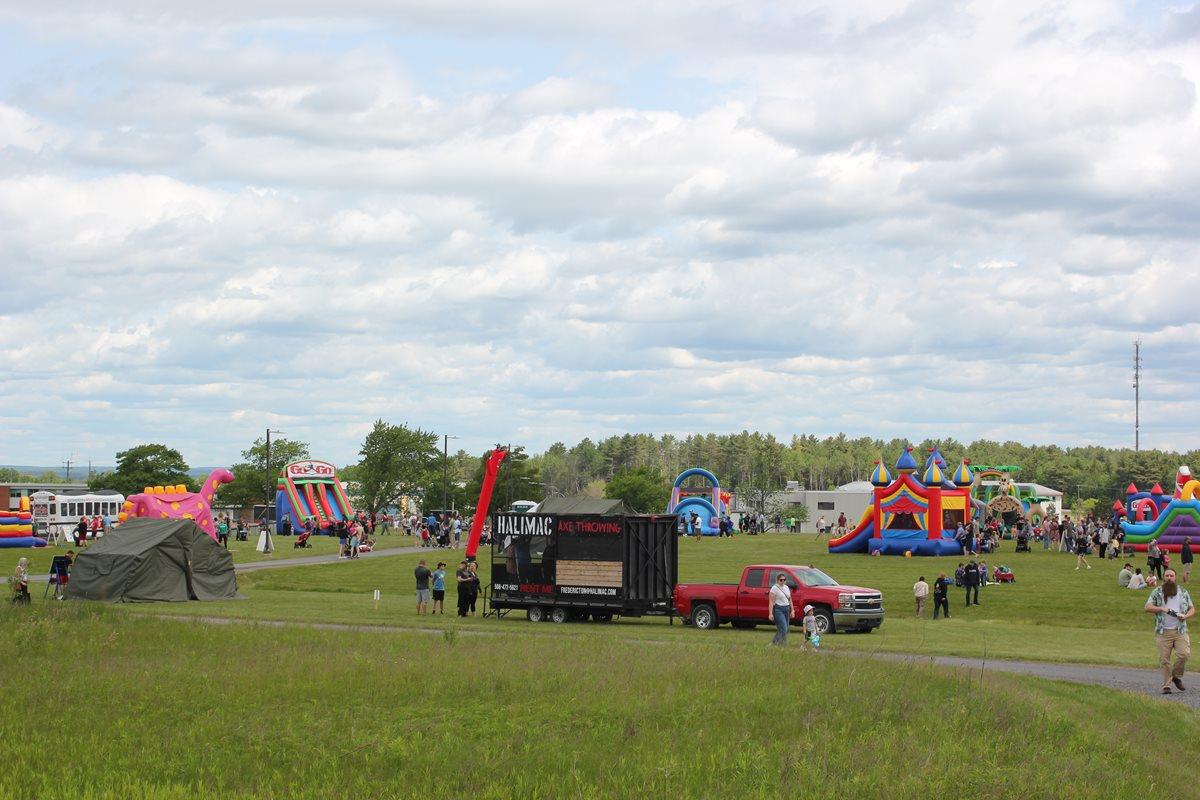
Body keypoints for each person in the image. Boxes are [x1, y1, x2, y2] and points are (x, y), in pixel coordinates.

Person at [1144, 568, 1194, 694]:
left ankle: (1175, 676)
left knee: (1184, 654)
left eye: (1171, 575)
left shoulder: (1183, 592)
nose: (1169, 578)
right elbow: (1147, 607)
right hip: (1163, 632)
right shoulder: (1157, 592)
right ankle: (1166, 686)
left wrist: (1185, 616)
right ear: (1164, 577)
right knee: (1164, 659)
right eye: (1167, 576)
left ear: (1175, 577)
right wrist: (1161, 609)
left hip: (1180, 630)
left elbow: (1192, 609)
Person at [769, 573, 792, 645]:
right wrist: (770, 613)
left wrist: (793, 610)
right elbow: (771, 601)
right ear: (777, 580)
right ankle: (782, 643)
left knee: (783, 628)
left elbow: (790, 599)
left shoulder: (786, 587)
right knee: (784, 628)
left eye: (784, 580)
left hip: (787, 609)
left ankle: (774, 642)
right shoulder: (774, 588)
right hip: (778, 609)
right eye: (781, 580)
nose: (783, 581)